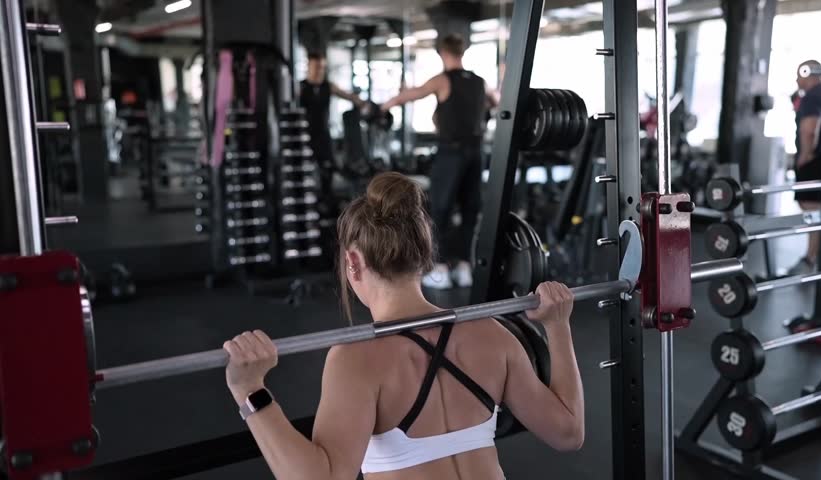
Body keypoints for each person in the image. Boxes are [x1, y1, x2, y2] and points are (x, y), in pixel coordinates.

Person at [223, 172, 584, 480]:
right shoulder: (493, 334)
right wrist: (557, 325)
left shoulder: (355, 360)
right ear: (424, 254)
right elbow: (568, 433)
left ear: (352, 261)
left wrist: (250, 391)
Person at [380, 34, 499, 290]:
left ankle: (441, 269)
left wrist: (384, 106)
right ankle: (465, 267)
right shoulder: (480, 82)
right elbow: (497, 102)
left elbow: (413, 94)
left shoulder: (444, 79)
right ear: (462, 52)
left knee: (440, 211)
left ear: (443, 54)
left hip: (451, 153)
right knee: (470, 210)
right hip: (476, 153)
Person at [300, 52, 366, 198]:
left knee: (328, 168)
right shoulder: (301, 87)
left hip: (323, 134)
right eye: (317, 67)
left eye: (323, 67)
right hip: (304, 136)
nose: (320, 71)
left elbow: (348, 96)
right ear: (309, 66)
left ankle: (326, 199)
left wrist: (363, 104)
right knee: (304, 169)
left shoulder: (328, 86)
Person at [790, 59, 821, 274]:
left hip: (813, 161)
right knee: (815, 212)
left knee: (813, 212)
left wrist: (804, 157)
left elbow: (809, 130)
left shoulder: (813, 96)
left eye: (801, 74)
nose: (798, 79)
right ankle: (813, 256)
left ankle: (811, 258)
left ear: (812, 74)